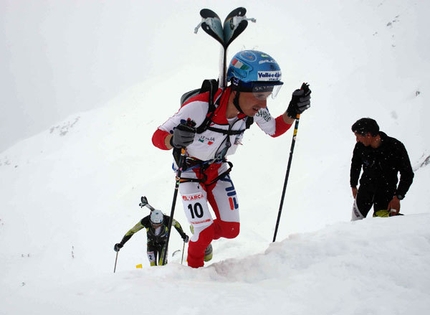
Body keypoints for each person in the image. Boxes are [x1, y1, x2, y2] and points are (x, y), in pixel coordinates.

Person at [152, 50, 311, 268]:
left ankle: (200, 234)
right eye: (258, 94)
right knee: (205, 231)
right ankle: (192, 271)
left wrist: (293, 111)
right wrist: (174, 139)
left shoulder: (254, 110)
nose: (263, 104)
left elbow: (274, 129)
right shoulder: (200, 107)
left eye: (268, 94)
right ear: (236, 87)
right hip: (189, 172)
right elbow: (157, 137)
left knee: (231, 230)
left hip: (217, 170)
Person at [350, 117, 414, 220]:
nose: (357, 140)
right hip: (365, 191)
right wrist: (353, 185)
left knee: (381, 226)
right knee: (355, 223)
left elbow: (407, 174)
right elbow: (355, 165)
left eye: (358, 136)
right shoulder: (360, 147)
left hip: (386, 194)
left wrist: (398, 197)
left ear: (368, 135)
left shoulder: (395, 147)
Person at [114, 209, 189, 266]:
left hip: (163, 244)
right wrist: (121, 244)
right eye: (153, 224)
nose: (156, 226)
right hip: (151, 244)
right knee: (153, 267)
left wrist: (183, 235)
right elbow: (132, 231)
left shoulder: (167, 220)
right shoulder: (145, 221)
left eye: (158, 224)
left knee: (162, 265)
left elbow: (177, 225)